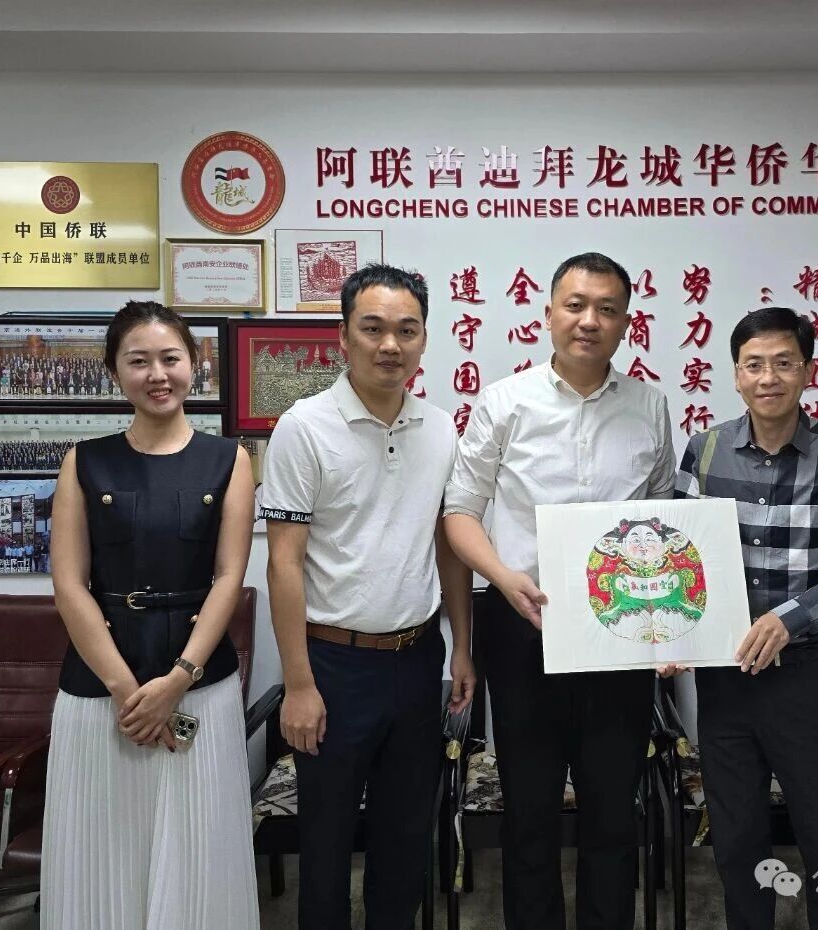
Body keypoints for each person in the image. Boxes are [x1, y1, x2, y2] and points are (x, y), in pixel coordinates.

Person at [444, 252, 675, 930]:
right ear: (548, 314)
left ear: (626, 323)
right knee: (530, 810)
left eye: (607, 309)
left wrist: (669, 626)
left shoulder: (650, 405)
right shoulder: (504, 402)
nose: (589, 320)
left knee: (613, 810)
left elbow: (663, 519)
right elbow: (460, 512)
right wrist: (503, 576)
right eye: (575, 305)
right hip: (522, 626)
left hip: (620, 631)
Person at [261, 264, 475, 930]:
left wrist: (462, 647)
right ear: (343, 336)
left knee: (405, 842)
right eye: (373, 328)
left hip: (417, 660)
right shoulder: (304, 427)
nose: (390, 345)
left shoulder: (439, 427)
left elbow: (448, 547)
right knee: (325, 845)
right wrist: (298, 684)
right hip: (333, 668)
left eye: (407, 330)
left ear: (424, 339)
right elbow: (283, 563)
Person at [669, 307, 818, 929]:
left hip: (811, 676)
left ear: (808, 370)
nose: (768, 378)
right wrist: (669, 632)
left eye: (783, 363)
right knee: (737, 836)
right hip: (726, 678)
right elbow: (679, 557)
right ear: (736, 375)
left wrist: (791, 619)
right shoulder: (705, 451)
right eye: (754, 365)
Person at [41, 300, 259, 930]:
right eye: (139, 362)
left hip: (198, 684)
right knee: (101, 850)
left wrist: (177, 682)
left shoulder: (229, 460)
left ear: (195, 365)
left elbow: (229, 577)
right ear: (115, 373)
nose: (157, 374)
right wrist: (127, 690)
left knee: (199, 849)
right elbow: (69, 584)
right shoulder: (84, 461)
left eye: (171, 358)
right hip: (101, 689)